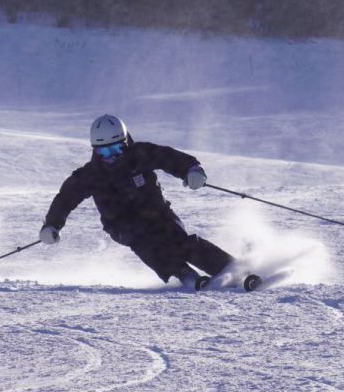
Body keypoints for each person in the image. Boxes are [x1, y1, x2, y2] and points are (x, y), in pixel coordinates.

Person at [40, 115, 236, 288]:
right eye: (104, 152)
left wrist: (192, 170)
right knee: (146, 244)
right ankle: (185, 275)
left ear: (125, 143)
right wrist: (51, 225)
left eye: (116, 149)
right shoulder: (91, 174)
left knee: (180, 241)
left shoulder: (140, 155)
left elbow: (171, 158)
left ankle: (230, 267)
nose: (111, 157)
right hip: (122, 225)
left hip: (158, 214)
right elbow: (65, 199)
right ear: (95, 151)